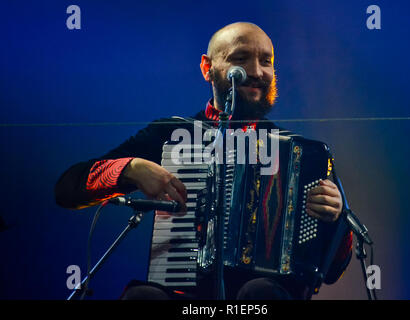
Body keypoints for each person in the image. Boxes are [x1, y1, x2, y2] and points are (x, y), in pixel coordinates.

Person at [55, 22, 352, 300]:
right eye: (242, 58)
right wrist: (131, 168)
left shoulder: (300, 156)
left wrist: (335, 216)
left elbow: (331, 271)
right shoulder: (171, 134)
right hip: (187, 296)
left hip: (261, 296)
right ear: (207, 68)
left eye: (266, 60)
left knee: (260, 292)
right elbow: (68, 189)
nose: (257, 71)